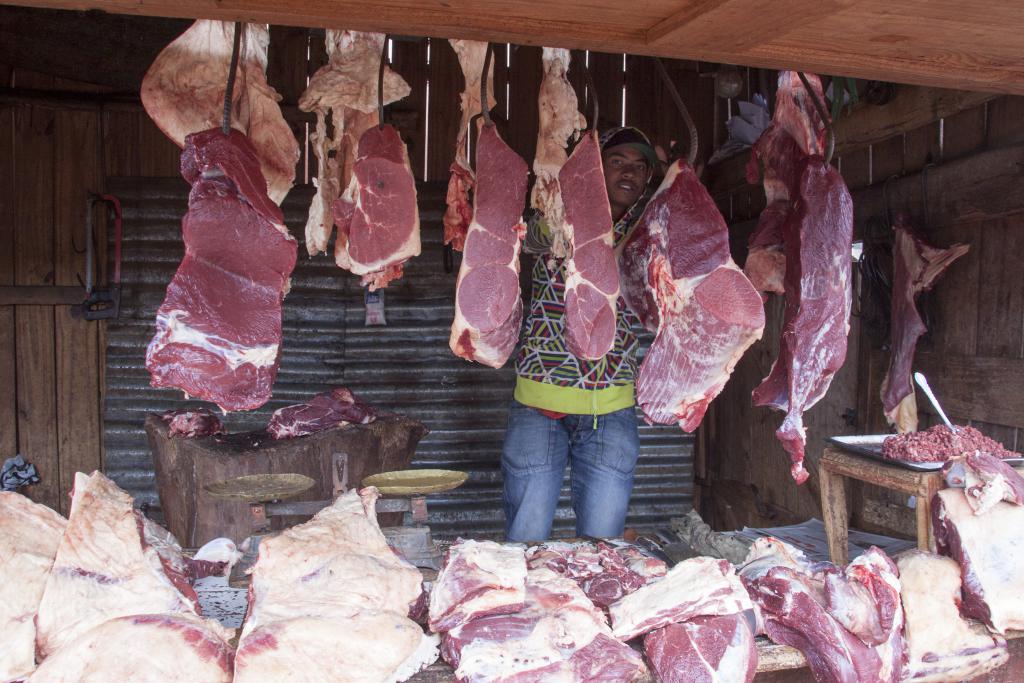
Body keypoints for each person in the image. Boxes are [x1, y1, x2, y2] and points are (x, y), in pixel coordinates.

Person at [502, 126, 660, 542]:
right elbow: (534, 236)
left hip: (611, 411)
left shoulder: (650, 232)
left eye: (639, 167)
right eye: (617, 162)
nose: (629, 173)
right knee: (526, 541)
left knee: (604, 548)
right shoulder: (558, 214)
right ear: (594, 168)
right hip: (540, 405)